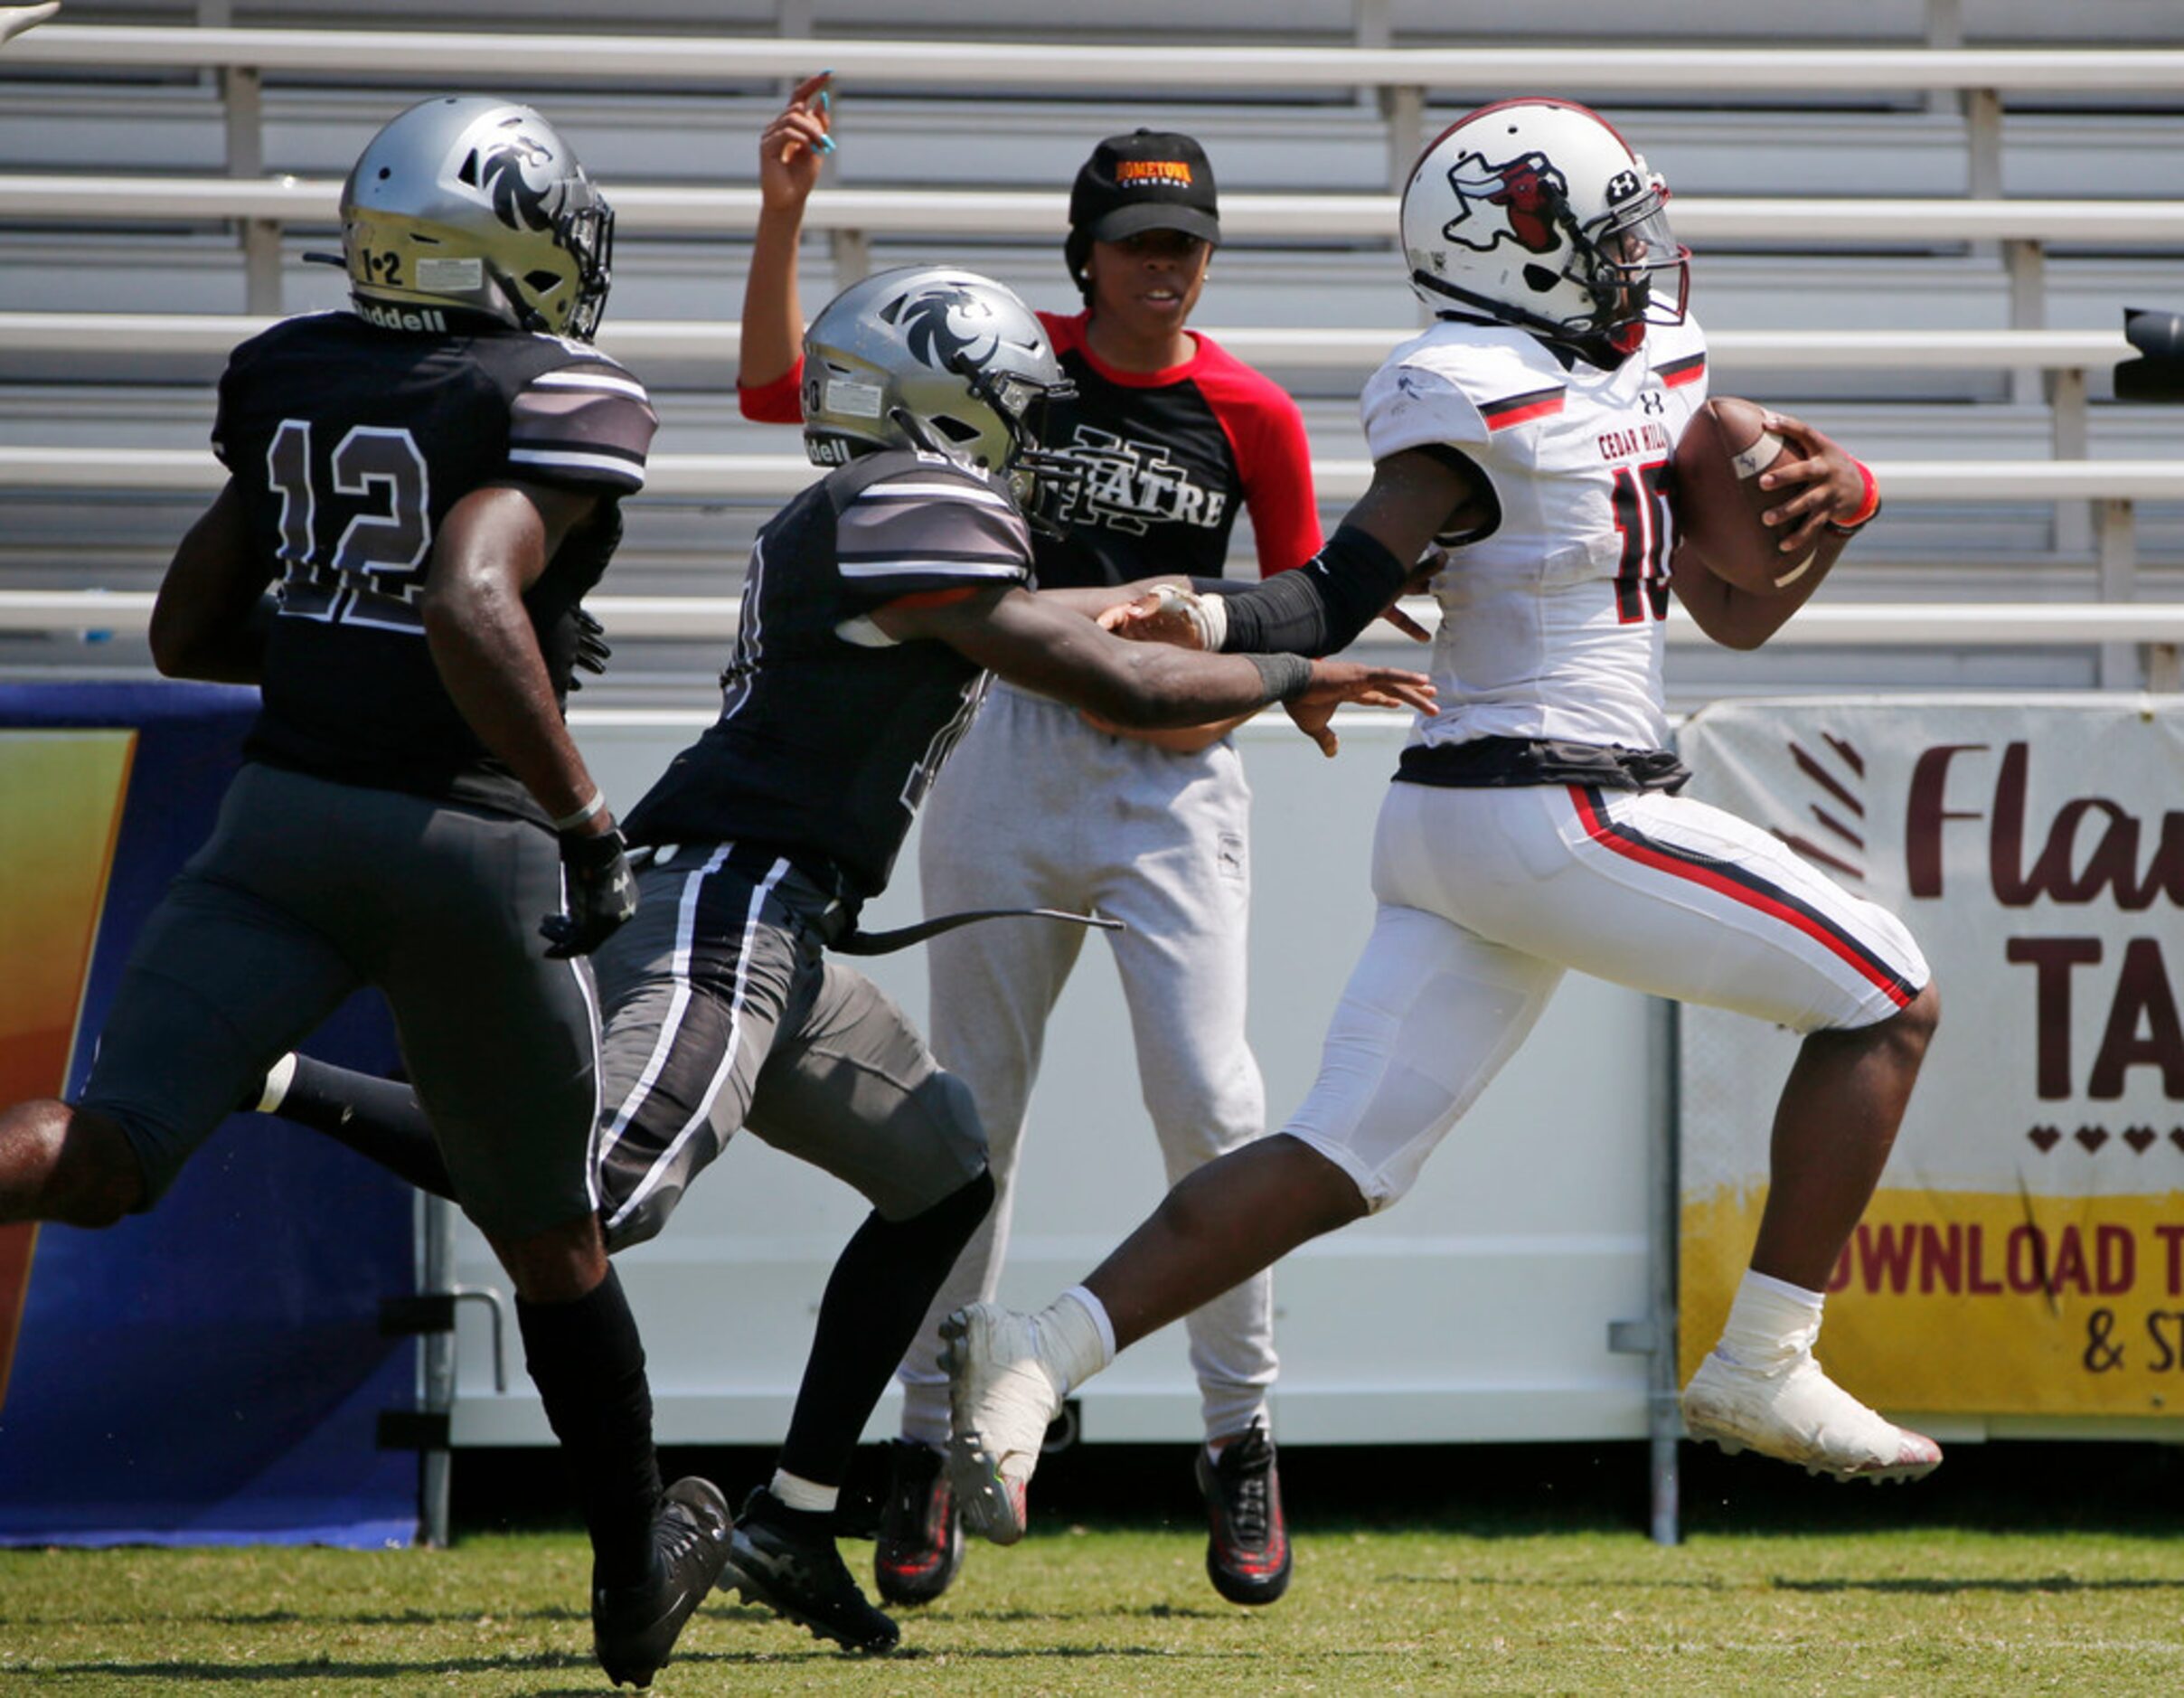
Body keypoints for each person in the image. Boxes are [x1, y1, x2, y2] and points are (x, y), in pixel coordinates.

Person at [247, 265, 1434, 1651]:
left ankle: (795, 1514)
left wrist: (1207, 617)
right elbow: (1123, 685)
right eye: (1005, 400)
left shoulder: (874, 512)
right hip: (723, 901)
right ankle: (270, 1080)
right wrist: (1293, 668)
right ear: (940, 399)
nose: (1025, 427)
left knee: (941, 1177)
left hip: (788, 919)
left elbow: (1070, 629)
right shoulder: (898, 502)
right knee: (592, 1189)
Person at [936, 97, 1944, 1553]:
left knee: (1338, 1155)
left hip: (1466, 837)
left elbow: (1732, 610)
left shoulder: (1647, 380)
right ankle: (1767, 1354)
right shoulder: (1469, 395)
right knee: (1892, 993)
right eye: (1608, 237)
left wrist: (1845, 501)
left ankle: (1038, 1350)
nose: (1637, 262)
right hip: (1556, 806)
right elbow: (1337, 585)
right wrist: (1214, 612)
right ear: (1522, 250)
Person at [0, 97, 734, 1688]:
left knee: (103, 1153)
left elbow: (190, 634)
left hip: (277, 820)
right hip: (453, 848)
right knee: (555, 1237)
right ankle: (632, 1582)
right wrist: (586, 817)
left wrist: (377, 644)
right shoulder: (554, 388)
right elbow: (472, 595)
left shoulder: (294, 374)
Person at [739, 73, 1327, 1610]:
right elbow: (775, 395)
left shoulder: (1250, 408)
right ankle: (930, 1443)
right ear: (1083, 254)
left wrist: (1241, 700)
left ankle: (1239, 1430)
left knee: (1214, 1097)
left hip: (1172, 773)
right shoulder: (1017, 361)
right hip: (1006, 745)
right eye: (1138, 242)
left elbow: (1305, 598)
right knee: (968, 1127)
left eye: (1186, 243)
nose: (1166, 267)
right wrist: (784, 215)